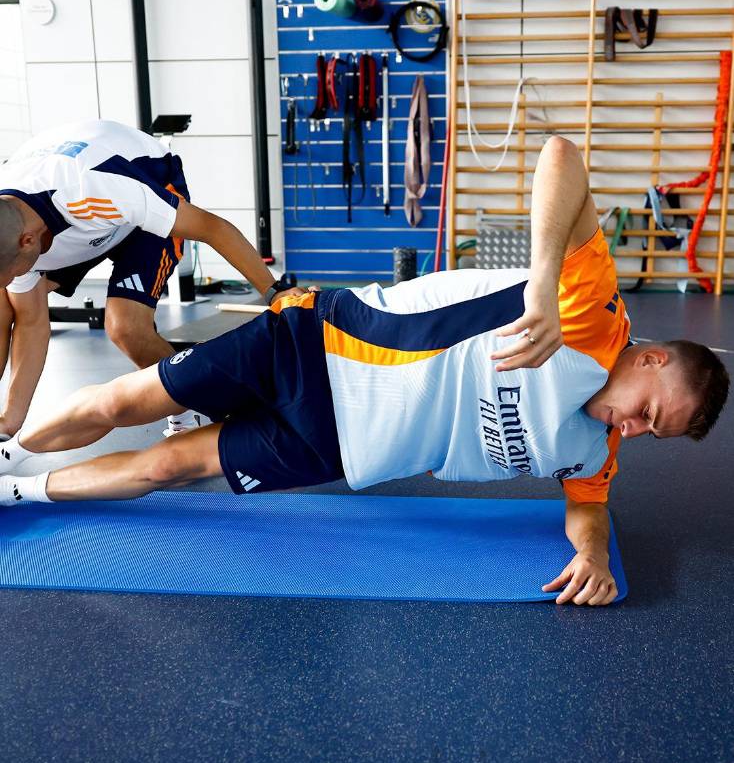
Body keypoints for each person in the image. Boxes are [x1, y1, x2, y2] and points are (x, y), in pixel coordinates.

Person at [0, 137, 728, 607]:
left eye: (650, 434)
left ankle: (14, 490)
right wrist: (541, 287)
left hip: (336, 448)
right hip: (316, 344)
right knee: (125, 402)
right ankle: (12, 448)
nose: (635, 429)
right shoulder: (587, 307)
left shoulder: (595, 451)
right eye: (649, 411)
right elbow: (561, 155)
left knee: (168, 467)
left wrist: (593, 552)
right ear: (651, 358)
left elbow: (588, 508)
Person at [0, 119, 303, 440]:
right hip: (82, 226)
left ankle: (191, 411)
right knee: (6, 307)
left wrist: (275, 292)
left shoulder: (97, 189)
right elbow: (32, 323)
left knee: (126, 327)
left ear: (28, 242)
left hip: (144, 188)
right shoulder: (12, 226)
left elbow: (212, 228)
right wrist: (9, 422)